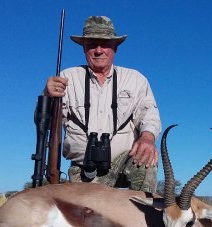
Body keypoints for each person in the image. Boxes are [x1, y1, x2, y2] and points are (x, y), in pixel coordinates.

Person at [44, 16, 161, 192]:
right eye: (92, 44)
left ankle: (142, 216)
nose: (99, 50)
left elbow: (149, 114)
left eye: (105, 44)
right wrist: (47, 96)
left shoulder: (135, 79)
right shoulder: (66, 78)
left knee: (146, 159)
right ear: (84, 48)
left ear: (115, 47)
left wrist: (147, 138)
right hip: (84, 169)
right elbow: (45, 123)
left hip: (124, 161)